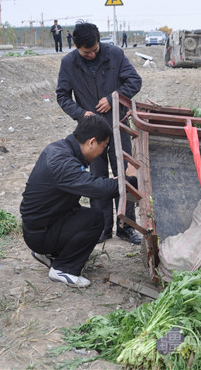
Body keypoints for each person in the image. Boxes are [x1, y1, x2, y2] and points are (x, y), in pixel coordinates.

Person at [20, 115, 138, 288]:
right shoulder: (63, 163)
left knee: (81, 213)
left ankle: (48, 254)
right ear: (91, 142)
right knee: (95, 219)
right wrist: (130, 181)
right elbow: (99, 189)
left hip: (40, 226)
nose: (102, 152)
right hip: (40, 234)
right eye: (103, 146)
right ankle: (63, 269)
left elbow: (90, 182)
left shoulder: (59, 149)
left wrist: (117, 181)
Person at [56, 21, 143, 245]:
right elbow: (63, 96)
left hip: (118, 125)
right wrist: (80, 113)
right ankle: (102, 229)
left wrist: (114, 97)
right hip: (89, 132)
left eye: (95, 50)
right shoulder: (68, 63)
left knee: (124, 175)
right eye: (87, 52)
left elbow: (134, 80)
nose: (93, 54)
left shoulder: (114, 54)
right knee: (96, 178)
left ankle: (126, 226)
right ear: (76, 46)